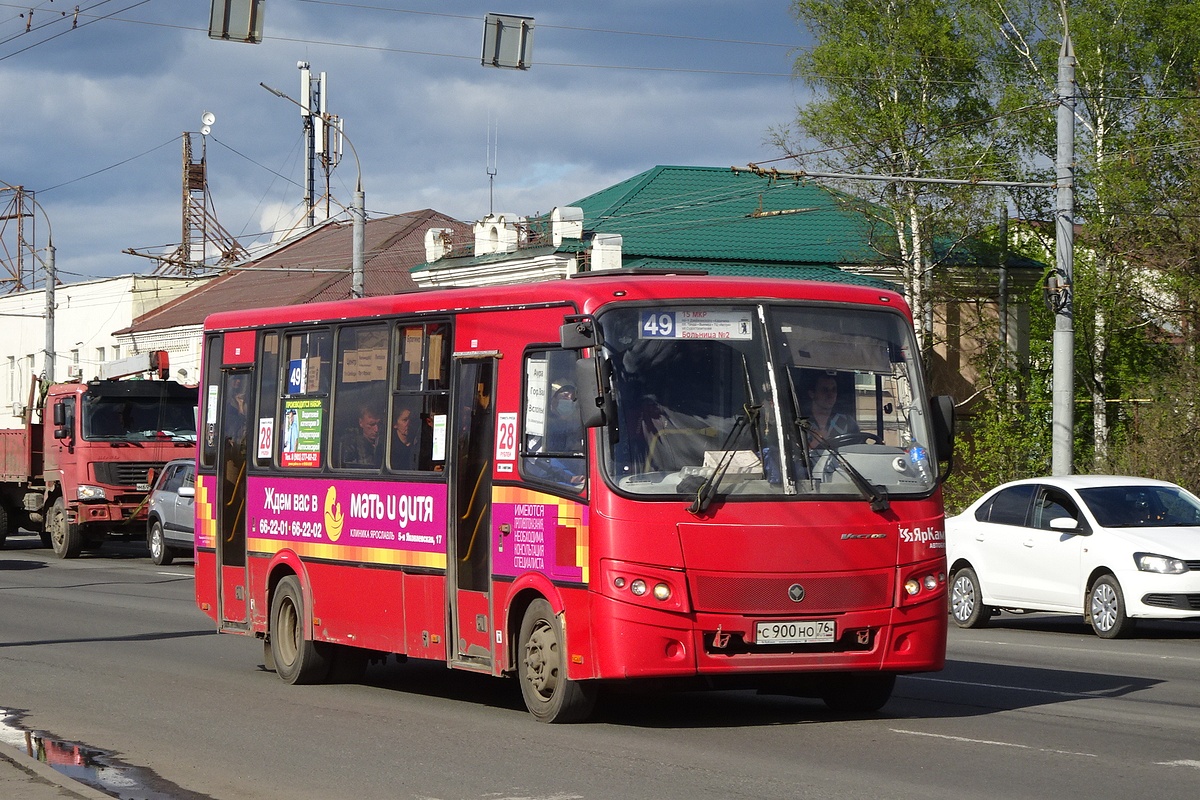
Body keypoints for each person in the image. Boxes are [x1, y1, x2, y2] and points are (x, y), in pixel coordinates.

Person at [804, 372, 858, 448]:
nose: (830, 395)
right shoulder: (800, 423)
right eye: (825, 390)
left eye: (834, 390)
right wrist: (815, 443)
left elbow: (859, 449)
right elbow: (793, 457)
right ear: (812, 394)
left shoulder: (847, 422)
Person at [389, 404, 419, 470]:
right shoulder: (389, 446)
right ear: (395, 424)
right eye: (405, 420)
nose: (408, 424)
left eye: (411, 420)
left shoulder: (418, 442)